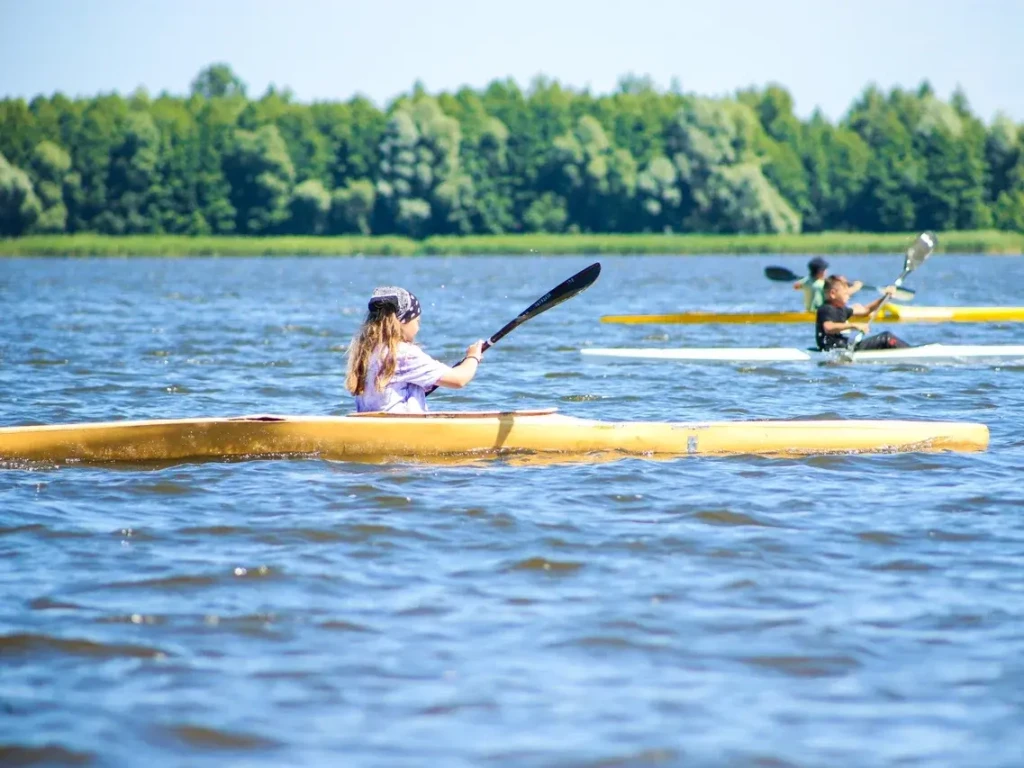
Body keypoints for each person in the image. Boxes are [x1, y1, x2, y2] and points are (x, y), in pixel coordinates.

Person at [346, 286, 485, 413]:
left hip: (372, 422)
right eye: (417, 321)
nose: (418, 328)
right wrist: (473, 357)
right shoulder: (404, 353)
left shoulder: (367, 351)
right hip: (401, 428)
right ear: (403, 321)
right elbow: (459, 380)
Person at [815, 275, 910, 352]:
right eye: (845, 293)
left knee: (885, 340)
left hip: (843, 346)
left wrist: (885, 297)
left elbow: (866, 310)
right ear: (833, 294)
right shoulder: (826, 309)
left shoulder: (842, 310)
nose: (849, 295)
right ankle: (910, 352)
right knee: (886, 338)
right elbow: (828, 327)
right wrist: (855, 325)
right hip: (836, 349)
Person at [794, 257, 862, 311]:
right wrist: (856, 287)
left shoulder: (806, 281)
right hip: (824, 312)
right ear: (821, 271)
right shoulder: (823, 284)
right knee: (857, 306)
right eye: (825, 270)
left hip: (809, 311)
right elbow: (843, 293)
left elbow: (796, 286)